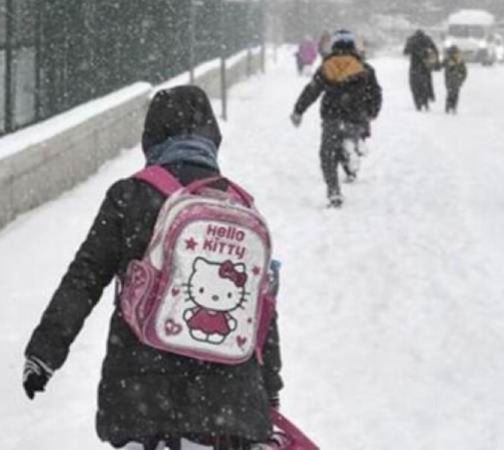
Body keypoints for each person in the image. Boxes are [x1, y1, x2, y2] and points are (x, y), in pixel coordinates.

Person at [21, 86, 283, 450]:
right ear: (212, 137)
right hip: (228, 403)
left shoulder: (129, 196)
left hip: (141, 393)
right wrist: (268, 390)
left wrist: (44, 352)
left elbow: (85, 277)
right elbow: (261, 308)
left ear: (151, 136)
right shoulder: (240, 207)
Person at [290, 30, 383, 208]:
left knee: (328, 154)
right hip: (356, 117)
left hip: (332, 116)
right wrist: (372, 112)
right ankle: (353, 150)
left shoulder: (326, 67)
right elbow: (375, 94)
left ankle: (334, 191)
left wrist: (298, 111)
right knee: (350, 139)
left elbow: (312, 91)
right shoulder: (365, 69)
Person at [403, 29, 440, 111]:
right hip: (425, 66)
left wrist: (413, 49)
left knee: (415, 86)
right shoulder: (427, 39)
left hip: (414, 66)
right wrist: (436, 63)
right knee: (426, 84)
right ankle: (425, 101)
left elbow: (405, 52)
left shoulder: (412, 40)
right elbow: (435, 50)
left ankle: (418, 103)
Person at [442, 46, 468, 114]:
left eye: (457, 53)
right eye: (455, 53)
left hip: (457, 81)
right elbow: (440, 65)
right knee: (450, 93)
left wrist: (462, 79)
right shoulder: (447, 60)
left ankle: (453, 107)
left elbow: (464, 72)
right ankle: (448, 106)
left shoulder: (460, 61)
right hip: (449, 81)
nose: (456, 55)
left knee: (456, 94)